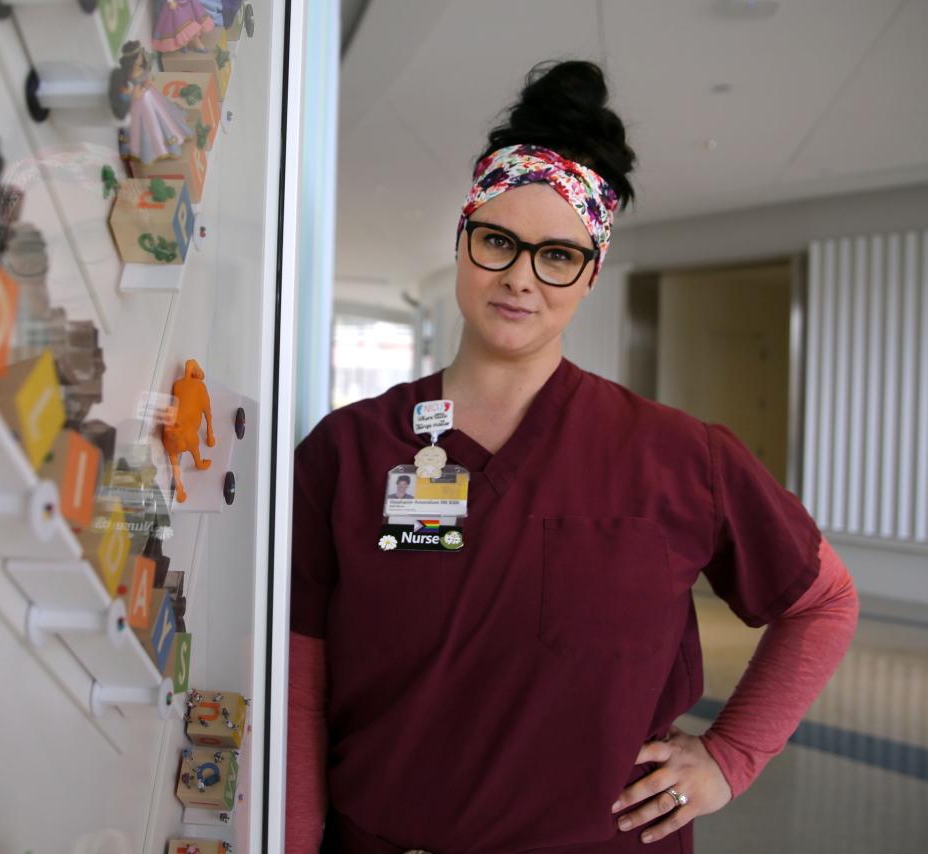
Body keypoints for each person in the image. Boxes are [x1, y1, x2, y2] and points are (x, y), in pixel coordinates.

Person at [286, 61, 859, 853]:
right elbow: (300, 680)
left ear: (589, 275)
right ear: (462, 244)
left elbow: (822, 602)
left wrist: (732, 758)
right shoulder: (347, 453)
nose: (521, 278)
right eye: (498, 242)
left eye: (557, 256)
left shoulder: (678, 456)